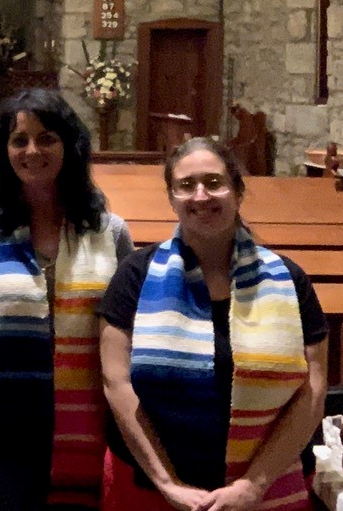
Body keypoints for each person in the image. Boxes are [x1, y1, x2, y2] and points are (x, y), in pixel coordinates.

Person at [98, 138, 328, 511]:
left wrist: (254, 484)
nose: (201, 196)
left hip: (264, 492)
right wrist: (167, 483)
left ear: (238, 191)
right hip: (147, 490)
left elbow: (313, 389)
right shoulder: (134, 276)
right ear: (171, 198)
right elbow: (116, 383)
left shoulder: (288, 279)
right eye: (187, 186)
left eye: (214, 182)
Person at [0, 89, 133, 511]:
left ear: (70, 144)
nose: (32, 150)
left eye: (47, 137)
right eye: (19, 140)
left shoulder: (111, 234)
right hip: (4, 443)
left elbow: (131, 346)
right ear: (3, 151)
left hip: (95, 442)